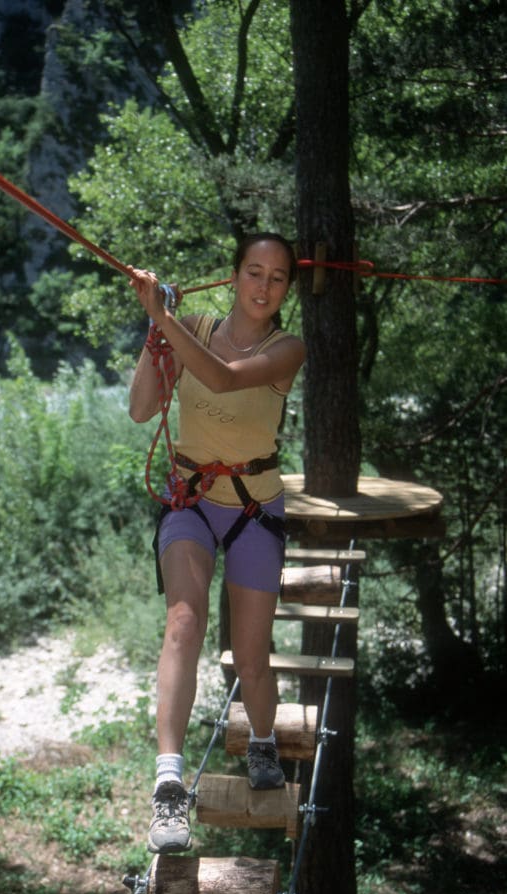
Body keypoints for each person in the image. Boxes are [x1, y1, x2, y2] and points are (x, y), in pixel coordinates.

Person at [128, 232, 306, 854]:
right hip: (192, 499)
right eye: (253, 272)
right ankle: (170, 786)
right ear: (233, 277)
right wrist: (156, 336)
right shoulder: (192, 326)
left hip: (255, 507)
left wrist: (164, 318)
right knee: (184, 621)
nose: (262, 286)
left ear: (286, 290)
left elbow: (227, 380)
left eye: (277, 278)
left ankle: (262, 740)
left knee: (251, 659)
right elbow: (141, 410)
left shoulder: (287, 348)